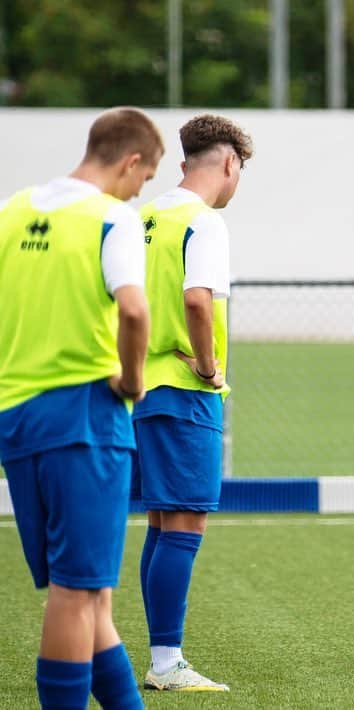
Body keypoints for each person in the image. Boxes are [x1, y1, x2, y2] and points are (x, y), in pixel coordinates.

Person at [0, 107, 162, 709]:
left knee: (92, 596)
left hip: (16, 416)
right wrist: (133, 381)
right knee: (75, 592)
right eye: (143, 182)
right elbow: (135, 310)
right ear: (131, 161)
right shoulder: (109, 216)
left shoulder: (12, 210)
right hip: (85, 416)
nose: (138, 191)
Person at [132, 114, 252, 692]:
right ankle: (165, 663)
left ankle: (161, 657)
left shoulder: (145, 215)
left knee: (160, 523)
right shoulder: (203, 223)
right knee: (184, 523)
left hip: (142, 387)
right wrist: (207, 366)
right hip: (186, 390)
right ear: (230, 164)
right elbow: (197, 301)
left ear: (184, 163)